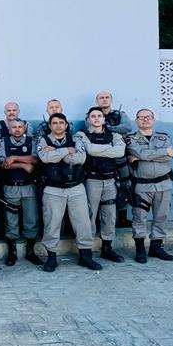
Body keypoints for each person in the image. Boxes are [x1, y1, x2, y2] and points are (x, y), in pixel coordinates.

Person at [37, 113, 101, 273]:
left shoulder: (77, 140)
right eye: (54, 123)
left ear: (66, 125)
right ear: (50, 126)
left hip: (76, 188)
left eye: (61, 123)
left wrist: (57, 152)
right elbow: (45, 158)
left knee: (83, 222)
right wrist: (67, 150)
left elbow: (80, 159)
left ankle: (85, 256)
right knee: (52, 223)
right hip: (53, 189)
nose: (58, 125)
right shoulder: (43, 140)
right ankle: (52, 258)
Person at [76, 107, 126, 263]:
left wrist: (98, 150)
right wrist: (109, 149)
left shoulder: (115, 135)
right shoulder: (81, 135)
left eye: (99, 116)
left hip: (110, 180)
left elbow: (120, 152)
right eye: (93, 116)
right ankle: (86, 251)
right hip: (92, 180)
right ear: (88, 119)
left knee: (110, 215)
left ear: (104, 119)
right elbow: (89, 150)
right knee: (89, 216)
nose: (96, 118)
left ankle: (107, 248)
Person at [126, 110, 173, 263]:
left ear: (153, 119)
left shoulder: (164, 137)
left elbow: (169, 156)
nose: (146, 119)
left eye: (149, 117)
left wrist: (145, 156)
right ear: (136, 121)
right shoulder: (130, 139)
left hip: (163, 183)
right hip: (142, 185)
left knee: (162, 216)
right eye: (142, 117)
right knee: (139, 217)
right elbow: (139, 153)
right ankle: (140, 248)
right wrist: (162, 152)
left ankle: (156, 247)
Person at [0, 119, 41, 266]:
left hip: (29, 187)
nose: (17, 129)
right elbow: (3, 164)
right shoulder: (4, 142)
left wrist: (14, 158)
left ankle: (30, 252)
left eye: (20, 127)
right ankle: (12, 253)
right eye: (14, 127)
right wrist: (23, 164)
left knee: (31, 220)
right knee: (11, 220)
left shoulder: (31, 141)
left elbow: (34, 160)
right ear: (9, 129)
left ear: (25, 128)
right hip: (10, 187)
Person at [95, 91, 133, 226]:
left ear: (111, 100)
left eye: (107, 97)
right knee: (100, 188)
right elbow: (93, 128)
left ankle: (122, 217)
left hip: (120, 156)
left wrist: (109, 128)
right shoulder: (93, 114)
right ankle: (99, 220)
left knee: (124, 185)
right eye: (101, 98)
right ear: (97, 101)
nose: (104, 100)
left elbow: (127, 127)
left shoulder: (120, 114)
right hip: (101, 156)